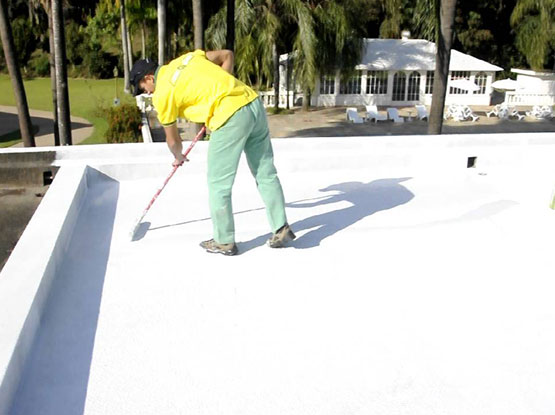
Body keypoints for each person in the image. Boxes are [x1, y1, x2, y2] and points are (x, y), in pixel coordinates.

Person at [129, 49, 295, 256]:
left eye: (145, 89)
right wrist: (220, 95)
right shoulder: (188, 58)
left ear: (149, 77)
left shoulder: (162, 95)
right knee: (265, 172)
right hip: (252, 103)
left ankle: (224, 241)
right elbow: (227, 55)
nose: (148, 93)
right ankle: (281, 227)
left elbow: (173, 141)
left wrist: (178, 157)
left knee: (219, 184)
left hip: (229, 117)